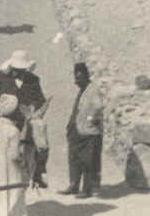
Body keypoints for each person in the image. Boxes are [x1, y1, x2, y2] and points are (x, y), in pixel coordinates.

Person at [0, 50, 48, 187]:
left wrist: (33, 109)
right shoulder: (1, 77)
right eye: (15, 69)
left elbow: (40, 100)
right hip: (2, 119)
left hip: (22, 122)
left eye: (21, 70)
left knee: (39, 143)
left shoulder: (33, 80)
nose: (17, 72)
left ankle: (37, 173)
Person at [59, 62, 104, 198]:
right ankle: (74, 185)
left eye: (79, 78)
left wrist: (90, 118)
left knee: (88, 161)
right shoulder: (83, 89)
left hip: (89, 132)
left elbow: (99, 106)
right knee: (73, 159)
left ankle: (87, 189)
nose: (76, 81)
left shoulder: (93, 89)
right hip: (76, 130)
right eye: (75, 78)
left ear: (86, 76)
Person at [0, 94, 28, 216]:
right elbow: (14, 156)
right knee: (11, 198)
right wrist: (23, 162)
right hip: (9, 172)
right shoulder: (13, 131)